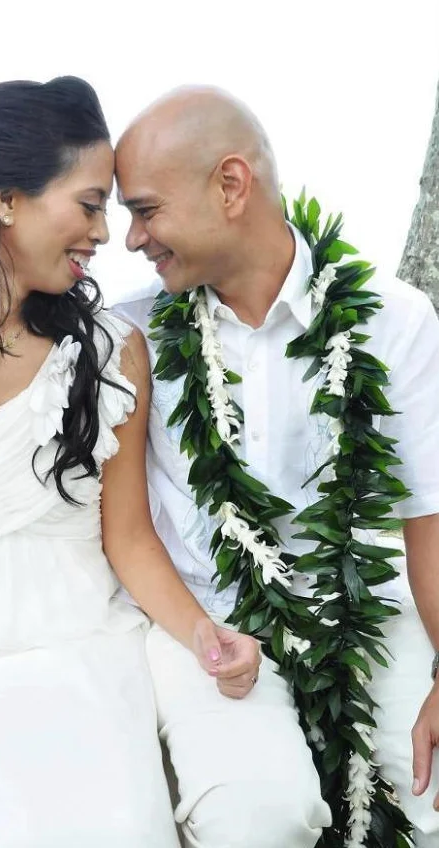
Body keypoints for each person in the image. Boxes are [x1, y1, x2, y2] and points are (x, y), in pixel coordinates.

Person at [0, 78, 261, 848]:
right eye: (89, 204)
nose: (105, 234)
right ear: (8, 198)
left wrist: (206, 637)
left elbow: (129, 539)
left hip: (88, 678)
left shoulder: (112, 354)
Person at [108, 88, 439, 847]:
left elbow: (428, 516)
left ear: (230, 185)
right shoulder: (131, 334)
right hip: (205, 623)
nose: (131, 239)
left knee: (428, 795)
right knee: (259, 819)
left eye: (146, 210)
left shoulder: (394, 319)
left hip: (362, 614)